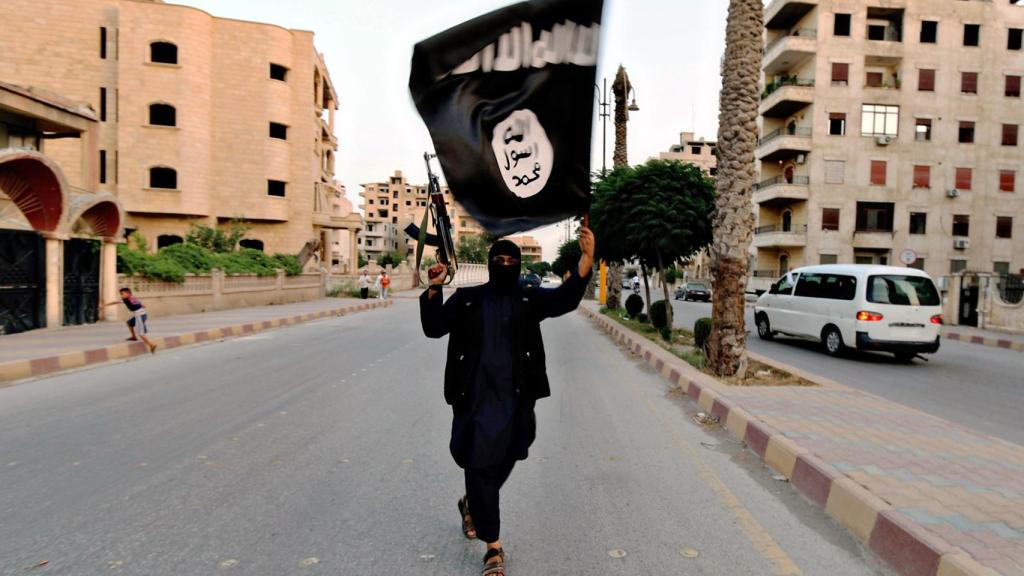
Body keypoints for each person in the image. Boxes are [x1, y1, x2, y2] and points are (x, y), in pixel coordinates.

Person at [420, 225, 595, 576]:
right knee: (480, 465)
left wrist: (587, 258)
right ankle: (494, 548)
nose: (504, 264)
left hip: (516, 400)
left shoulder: (528, 299)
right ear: (490, 263)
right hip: (474, 401)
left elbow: (564, 298)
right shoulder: (469, 299)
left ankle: (473, 502)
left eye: (510, 260)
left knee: (512, 451)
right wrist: (435, 287)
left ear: (517, 264)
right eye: (498, 259)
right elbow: (434, 327)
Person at [103, 288, 157, 353]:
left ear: (128, 293)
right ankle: (134, 337)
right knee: (129, 323)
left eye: (122, 294)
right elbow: (139, 304)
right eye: (121, 294)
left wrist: (105, 305)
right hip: (142, 315)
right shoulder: (131, 298)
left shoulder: (127, 299)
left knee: (141, 334)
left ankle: (152, 345)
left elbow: (115, 302)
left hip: (139, 316)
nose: (121, 295)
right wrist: (141, 305)